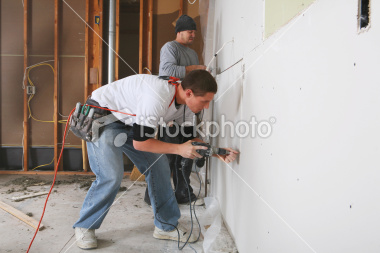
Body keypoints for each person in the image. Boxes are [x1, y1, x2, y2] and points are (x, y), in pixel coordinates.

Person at [73, 70, 238, 250]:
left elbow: (188, 141)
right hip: (103, 117)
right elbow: (141, 143)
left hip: (131, 122)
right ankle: (85, 226)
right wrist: (179, 149)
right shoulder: (158, 97)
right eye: (204, 101)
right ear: (189, 93)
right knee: (111, 176)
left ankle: (165, 226)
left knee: (159, 167)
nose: (206, 107)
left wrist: (215, 152)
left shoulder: (187, 107)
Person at [143, 15, 207, 206]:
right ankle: (152, 195)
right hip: (171, 112)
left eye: (194, 31)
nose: (193, 34)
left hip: (187, 113)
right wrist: (194, 68)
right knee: (167, 157)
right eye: (190, 31)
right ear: (179, 31)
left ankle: (182, 193)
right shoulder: (170, 48)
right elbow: (166, 72)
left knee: (186, 155)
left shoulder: (193, 54)